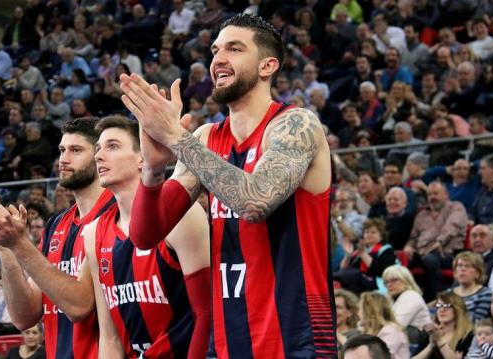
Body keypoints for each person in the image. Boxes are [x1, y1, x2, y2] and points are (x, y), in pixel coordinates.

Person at [120, 13, 337, 356]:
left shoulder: (296, 124)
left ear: (267, 66)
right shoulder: (206, 138)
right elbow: (145, 235)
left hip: (295, 341)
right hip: (225, 343)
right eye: (216, 50)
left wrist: (176, 138)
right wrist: (153, 168)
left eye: (234, 49)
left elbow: (255, 201)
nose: (218, 59)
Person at [0, 117, 115, 359]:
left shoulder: (116, 213)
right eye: (62, 150)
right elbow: (24, 317)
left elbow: (80, 306)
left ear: (100, 156)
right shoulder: (56, 224)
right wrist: (6, 250)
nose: (64, 159)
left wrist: (20, 244)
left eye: (76, 150)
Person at [75, 116, 211, 357]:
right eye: (97, 149)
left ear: (142, 157)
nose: (98, 156)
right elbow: (110, 336)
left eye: (113, 146)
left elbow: (207, 313)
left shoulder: (182, 215)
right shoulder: (93, 233)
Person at [335, 218, 397, 294]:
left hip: (374, 285)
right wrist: (348, 255)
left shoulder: (386, 250)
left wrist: (362, 253)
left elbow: (381, 271)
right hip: (354, 283)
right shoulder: (359, 250)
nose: (368, 234)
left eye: (373, 232)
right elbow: (342, 270)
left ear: (382, 235)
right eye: (366, 232)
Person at [413, 292, 474, 359]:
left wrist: (440, 341)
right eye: (439, 306)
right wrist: (431, 346)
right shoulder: (430, 333)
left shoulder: (469, 336)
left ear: (457, 309)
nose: (442, 310)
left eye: (447, 306)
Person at [358, 291, 410, 358]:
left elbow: (378, 357)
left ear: (369, 311)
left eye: (360, 309)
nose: (358, 313)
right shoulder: (368, 331)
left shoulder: (391, 331)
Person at [382, 265, 432, 332]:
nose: (389, 285)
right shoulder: (391, 298)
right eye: (386, 282)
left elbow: (397, 325)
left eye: (393, 280)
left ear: (405, 280)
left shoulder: (411, 296)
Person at [448, 251, 493, 322]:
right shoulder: (448, 293)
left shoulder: (485, 293)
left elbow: (476, 321)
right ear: (455, 272)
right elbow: (437, 312)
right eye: (459, 265)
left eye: (468, 266)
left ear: (478, 273)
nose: (463, 269)